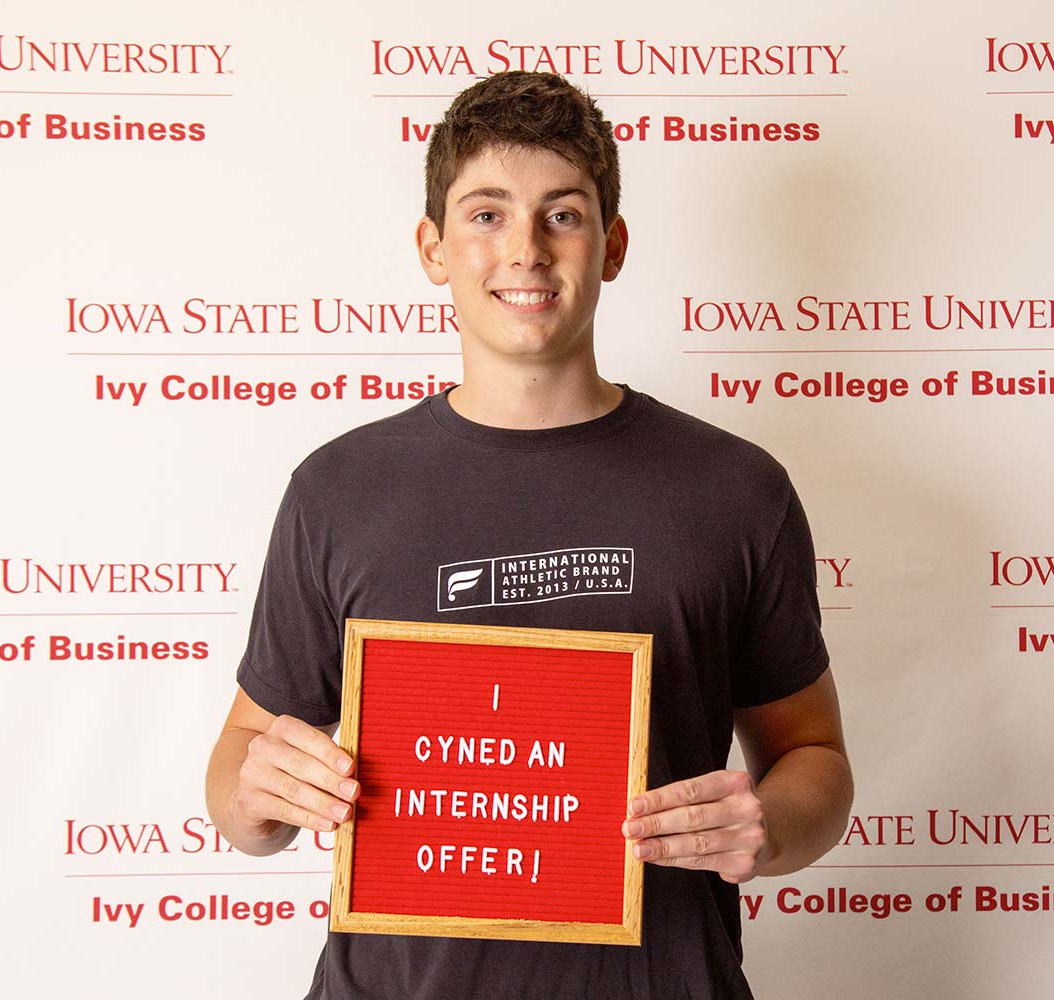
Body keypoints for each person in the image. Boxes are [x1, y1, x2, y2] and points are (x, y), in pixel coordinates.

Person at [205, 70, 852, 999]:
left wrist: (772, 823)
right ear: (432, 247)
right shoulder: (339, 490)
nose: (525, 252)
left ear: (612, 243)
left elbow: (815, 757)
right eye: (486, 215)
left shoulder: (735, 489)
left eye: (562, 215)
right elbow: (238, 773)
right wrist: (259, 796)